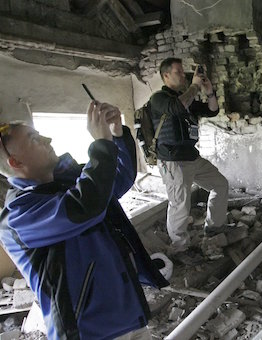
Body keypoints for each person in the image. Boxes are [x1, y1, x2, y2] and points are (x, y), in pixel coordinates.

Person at [0, 101, 169, 340]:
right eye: (34, 139)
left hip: (127, 312)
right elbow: (84, 207)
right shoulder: (19, 215)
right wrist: (100, 144)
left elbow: (119, 179)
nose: (47, 140)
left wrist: (116, 134)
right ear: (15, 162)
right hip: (91, 330)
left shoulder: (68, 181)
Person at [150, 57, 229, 254]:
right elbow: (177, 107)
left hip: (192, 157)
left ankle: (213, 228)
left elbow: (212, 111)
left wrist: (208, 91)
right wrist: (194, 87)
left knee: (220, 184)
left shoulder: (187, 98)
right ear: (166, 75)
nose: (183, 75)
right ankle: (179, 248)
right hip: (172, 160)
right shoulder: (159, 99)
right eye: (178, 72)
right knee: (179, 204)